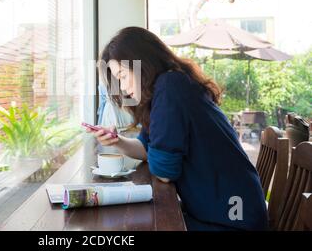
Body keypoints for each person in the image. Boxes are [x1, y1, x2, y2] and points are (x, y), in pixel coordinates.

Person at [87, 27, 268, 231]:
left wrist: (158, 150)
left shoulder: (170, 87)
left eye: (122, 75)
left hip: (232, 220)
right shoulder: (168, 87)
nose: (121, 87)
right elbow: (146, 148)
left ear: (142, 63)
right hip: (223, 210)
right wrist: (117, 140)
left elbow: (164, 172)